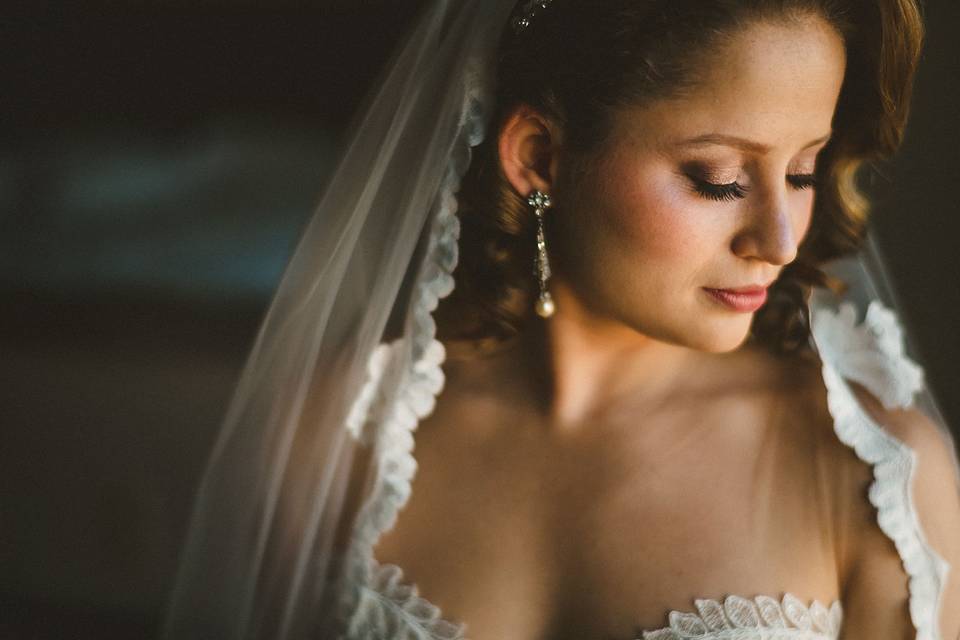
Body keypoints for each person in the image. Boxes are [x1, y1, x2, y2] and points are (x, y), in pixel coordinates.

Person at [161, 1, 960, 639]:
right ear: (540, 155)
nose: (779, 241)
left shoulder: (878, 484)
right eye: (716, 179)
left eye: (801, 171)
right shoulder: (333, 443)